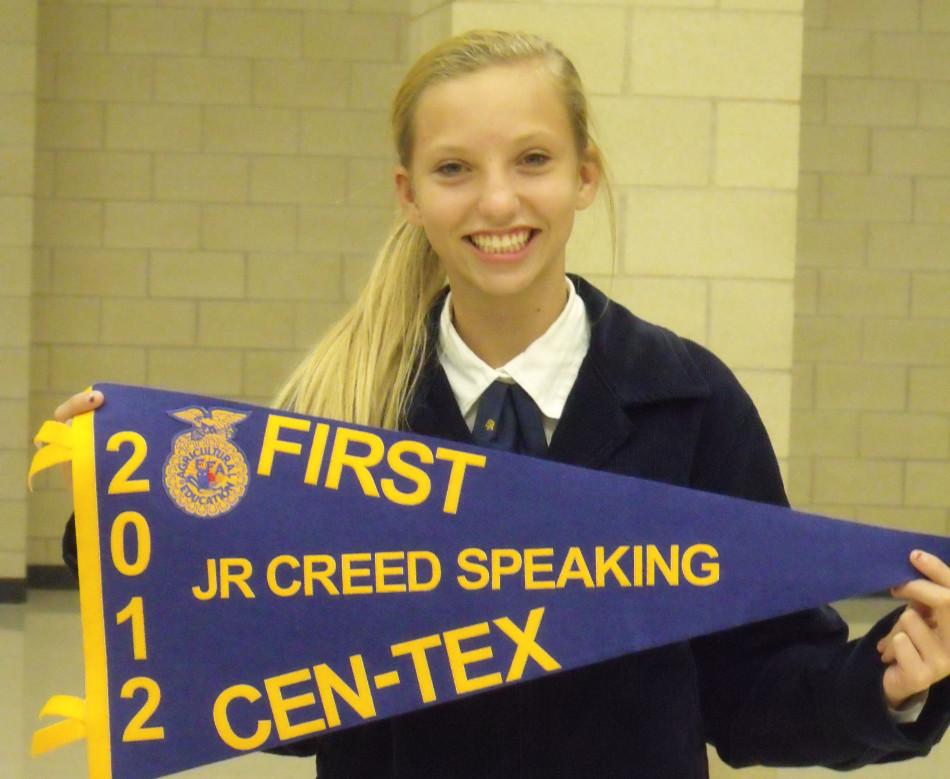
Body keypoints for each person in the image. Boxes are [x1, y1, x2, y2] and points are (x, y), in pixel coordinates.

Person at [57, 29, 949, 779]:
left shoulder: (692, 403)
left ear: (584, 175)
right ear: (408, 194)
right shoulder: (338, 419)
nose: (497, 200)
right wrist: (122, 507)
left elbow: (749, 688)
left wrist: (883, 687)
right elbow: (289, 696)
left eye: (532, 160)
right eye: (453, 168)